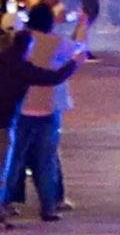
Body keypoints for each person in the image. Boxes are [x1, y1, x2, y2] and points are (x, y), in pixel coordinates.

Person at [0, 26, 79, 224]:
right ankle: (47, 208)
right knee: (37, 163)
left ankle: (5, 207)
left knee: (14, 165)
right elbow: (52, 78)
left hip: (13, 120)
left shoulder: (5, 61)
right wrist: (75, 63)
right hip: (7, 121)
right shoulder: (22, 67)